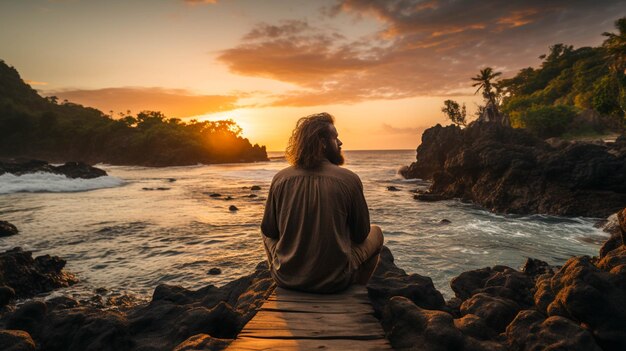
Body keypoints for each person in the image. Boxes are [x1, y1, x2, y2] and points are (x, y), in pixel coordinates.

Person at [260, 112, 384, 293]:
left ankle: (286, 267)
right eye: (336, 138)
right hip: (335, 282)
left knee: (265, 231)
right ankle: (356, 289)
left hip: (286, 279)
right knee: (377, 232)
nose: (340, 143)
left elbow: (269, 230)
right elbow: (361, 235)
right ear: (322, 143)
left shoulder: (280, 178)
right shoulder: (349, 179)